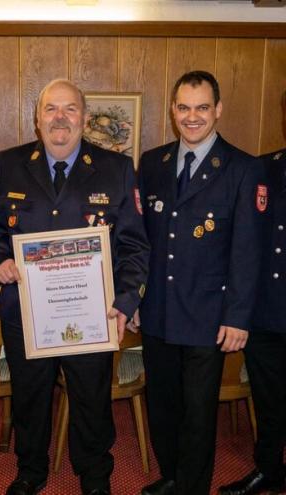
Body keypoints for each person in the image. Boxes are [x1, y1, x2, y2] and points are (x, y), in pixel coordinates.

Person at [0, 79, 149, 495]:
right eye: (51, 109)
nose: (60, 118)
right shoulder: (11, 163)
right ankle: (30, 471)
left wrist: (125, 300)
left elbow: (134, 244)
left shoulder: (116, 168)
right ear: (37, 120)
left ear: (85, 119)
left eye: (70, 109)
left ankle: (94, 473)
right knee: (30, 397)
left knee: (91, 399)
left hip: (92, 313)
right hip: (28, 311)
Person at [137, 71, 266, 495]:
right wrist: (134, 297)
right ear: (173, 111)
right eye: (184, 107)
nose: (192, 117)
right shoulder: (152, 164)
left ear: (218, 111)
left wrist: (238, 316)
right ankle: (172, 475)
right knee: (162, 404)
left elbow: (247, 251)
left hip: (209, 315)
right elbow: (140, 241)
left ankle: (192, 487)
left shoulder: (243, 168)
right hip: (157, 310)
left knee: (197, 411)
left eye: (202, 108)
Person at [218, 91, 286, 495]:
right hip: (269, 309)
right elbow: (245, 239)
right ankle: (269, 469)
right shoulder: (266, 167)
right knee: (269, 397)